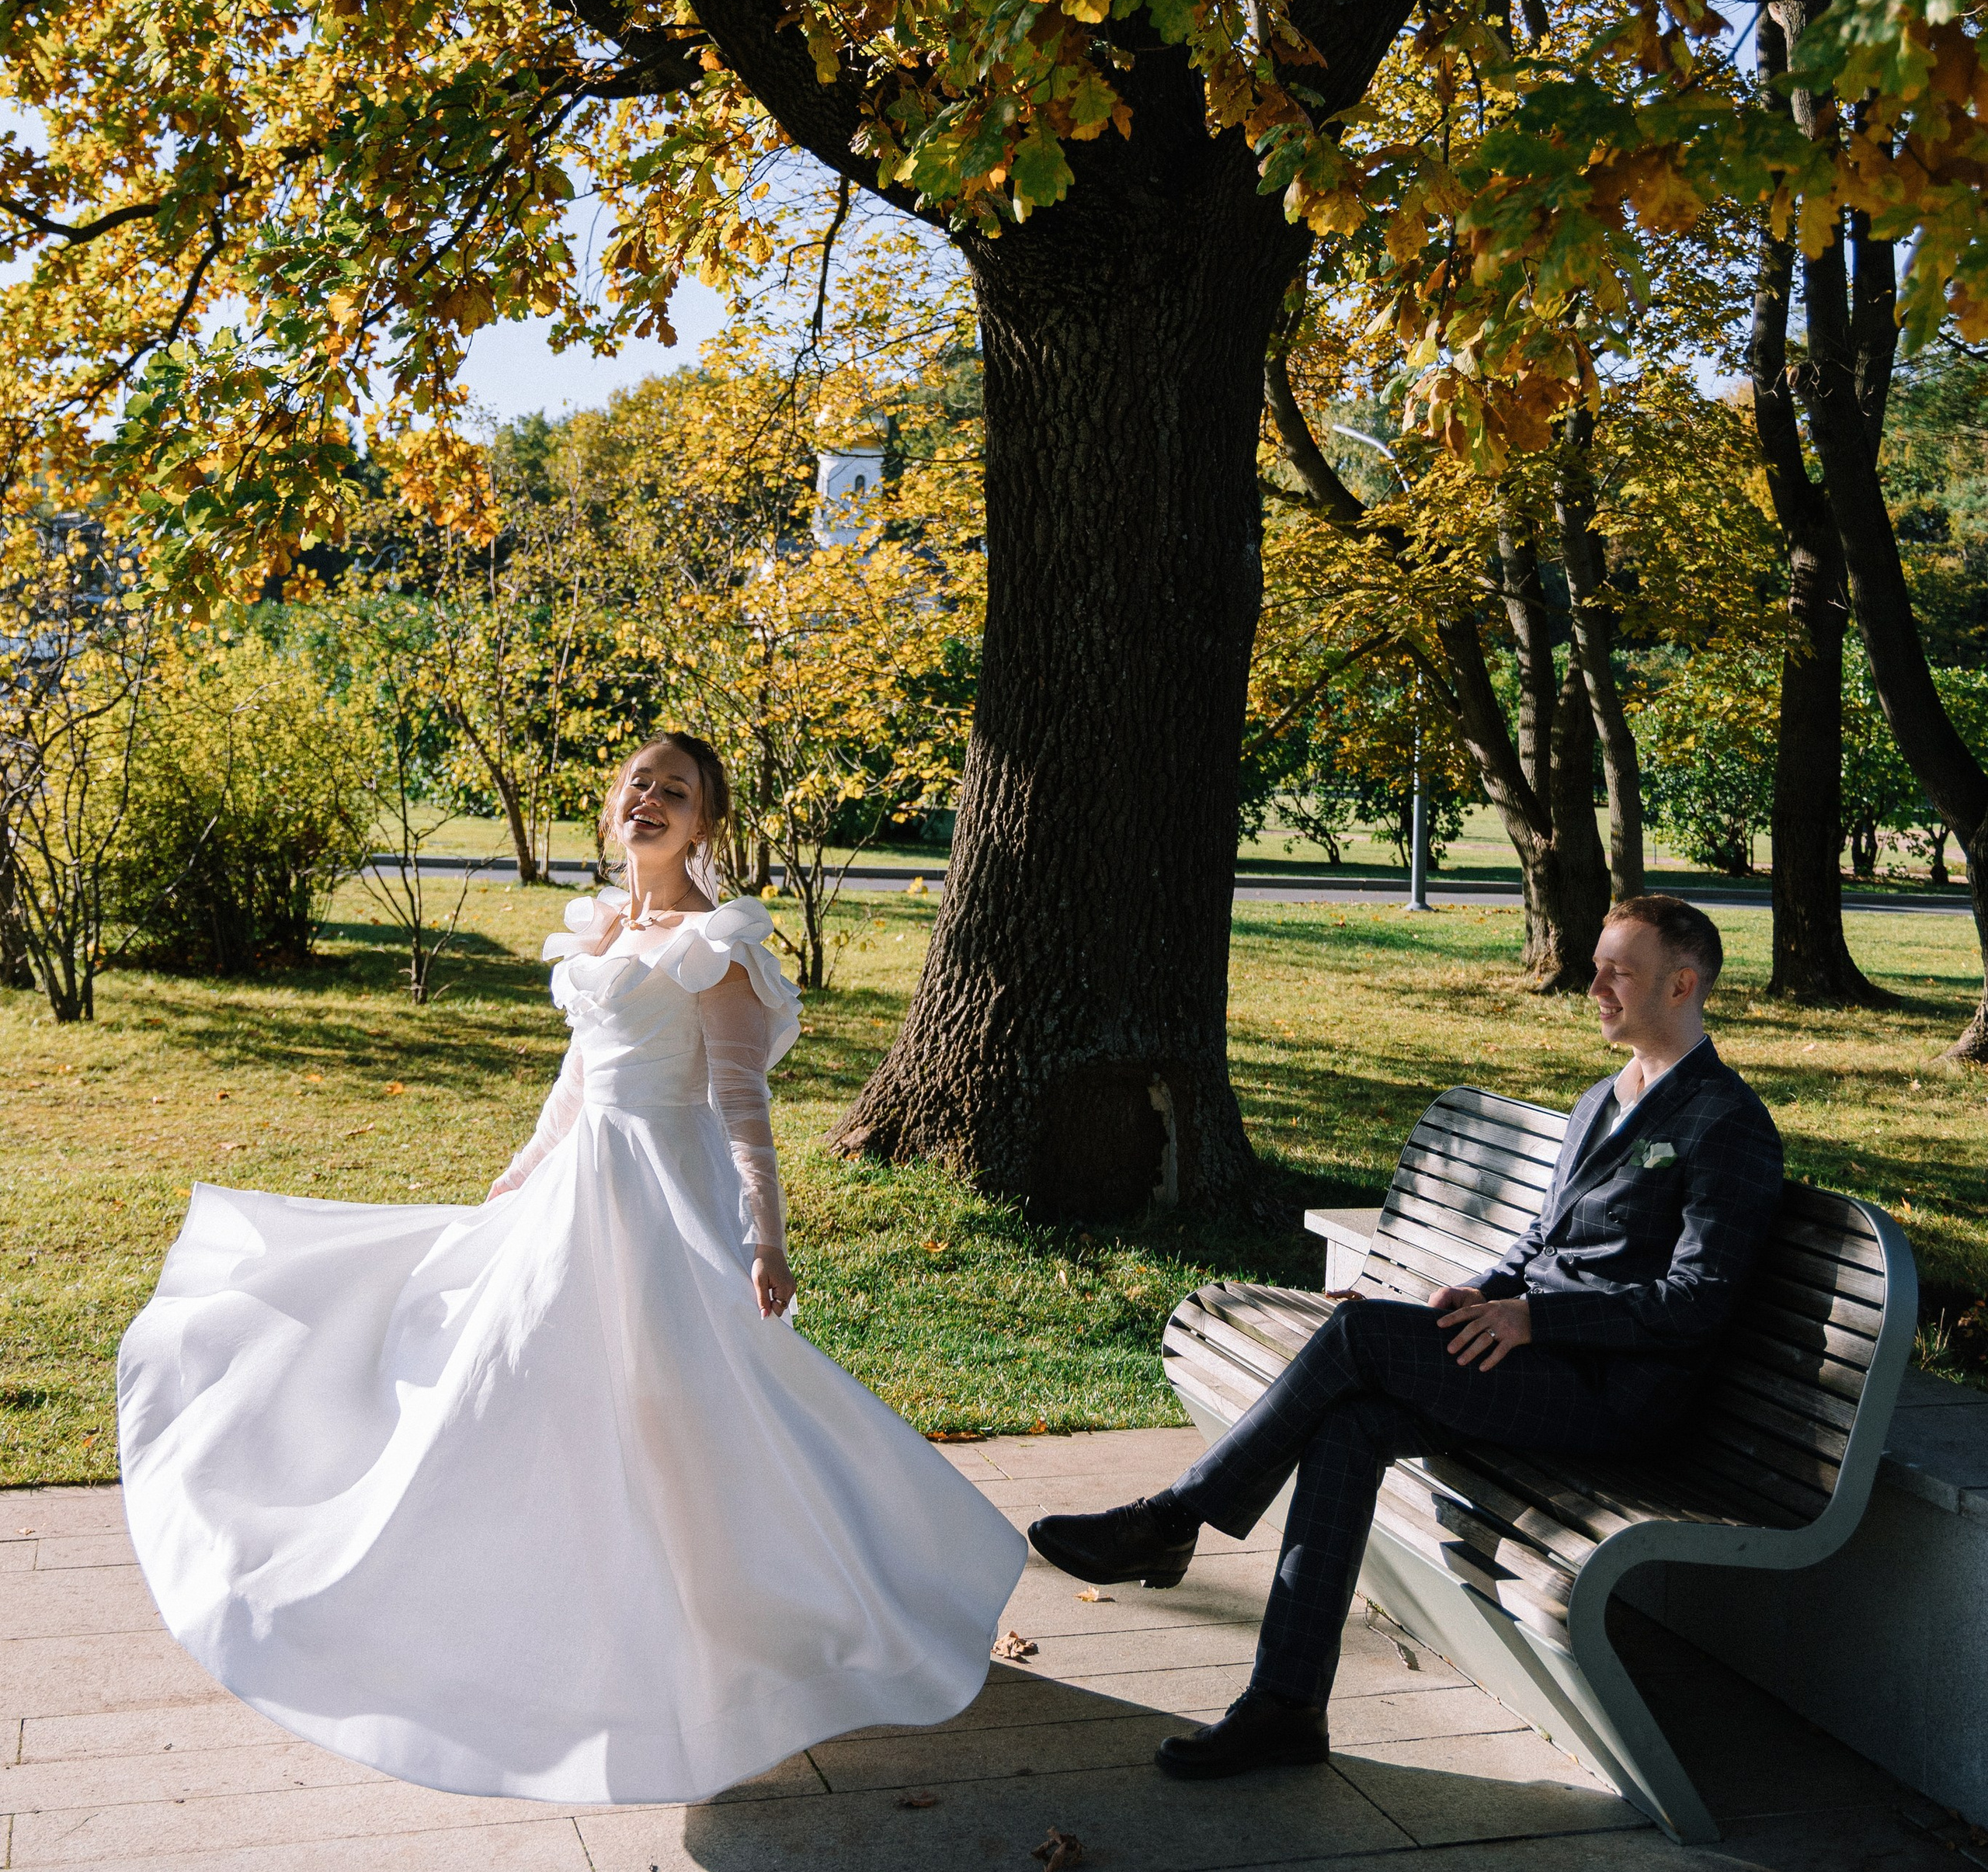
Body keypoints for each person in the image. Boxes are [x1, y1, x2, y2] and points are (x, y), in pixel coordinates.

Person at [118, 731, 1023, 1804]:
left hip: (663, 1197)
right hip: (573, 1192)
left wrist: (765, 1239)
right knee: (515, 1381)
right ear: (613, 803)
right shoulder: (601, 926)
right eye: (638, 783)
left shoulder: (716, 945)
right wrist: (520, 1170)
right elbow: (576, 1083)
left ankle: (772, 1625)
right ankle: (529, 1620)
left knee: (681, 1410)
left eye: (675, 793)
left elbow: (744, 1110)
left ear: (704, 823)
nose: (650, 801)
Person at [1027, 892, 1782, 1782]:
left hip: (1613, 1394)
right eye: (1595, 969)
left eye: (1618, 972)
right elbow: (1543, 1243)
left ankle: (1172, 1520)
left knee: (1356, 1334)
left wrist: (1534, 1317)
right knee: (1351, 1428)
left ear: (1682, 984)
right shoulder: (1603, 1098)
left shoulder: (1725, 1123)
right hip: (1534, 1358)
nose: (1595, 989)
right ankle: (1286, 1707)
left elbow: (1693, 1301)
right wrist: (1483, 1294)